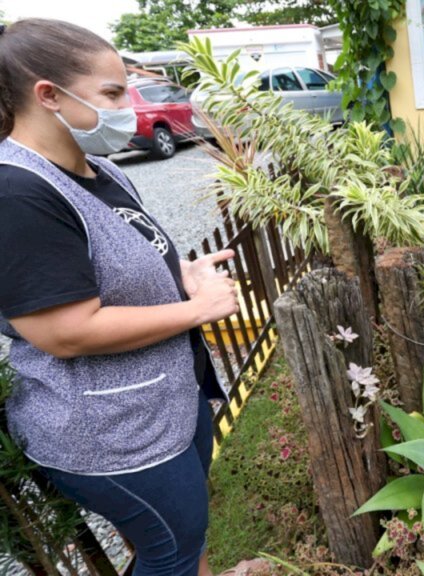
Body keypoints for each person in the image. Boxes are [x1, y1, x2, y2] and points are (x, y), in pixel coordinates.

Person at [0, 19, 240, 576]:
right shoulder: (18, 194)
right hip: (110, 433)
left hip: (164, 401)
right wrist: (197, 308)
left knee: (184, 537)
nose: (127, 105)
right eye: (111, 92)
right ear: (48, 95)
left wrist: (187, 271)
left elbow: (140, 249)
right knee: (170, 550)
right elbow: (61, 330)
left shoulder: (100, 168)